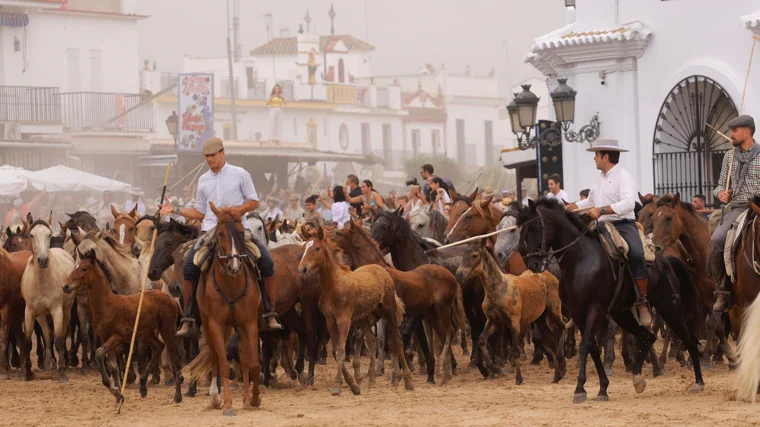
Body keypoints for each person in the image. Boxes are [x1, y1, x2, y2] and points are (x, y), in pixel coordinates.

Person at [159, 136, 282, 335]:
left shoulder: (240, 174)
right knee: (189, 265)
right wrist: (175, 209)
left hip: (238, 228)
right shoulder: (203, 180)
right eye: (206, 156)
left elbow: (253, 202)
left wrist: (235, 211)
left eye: (213, 155)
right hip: (211, 230)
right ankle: (189, 317)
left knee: (266, 262)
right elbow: (200, 212)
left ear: (223, 153)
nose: (209, 159)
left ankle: (270, 311)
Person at [566, 139, 652, 327]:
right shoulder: (599, 179)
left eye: (596, 155)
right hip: (600, 225)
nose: (594, 159)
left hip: (623, 224)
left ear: (605, 157)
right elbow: (590, 201)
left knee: (637, 254)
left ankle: (642, 301)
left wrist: (602, 210)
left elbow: (629, 203)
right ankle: (581, 302)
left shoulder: (624, 176)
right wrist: (572, 206)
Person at [709, 115, 760, 313]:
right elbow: (720, 184)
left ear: (747, 132)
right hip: (738, 207)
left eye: (735, 131)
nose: (731, 135)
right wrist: (721, 193)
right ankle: (722, 291)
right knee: (716, 240)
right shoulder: (730, 157)